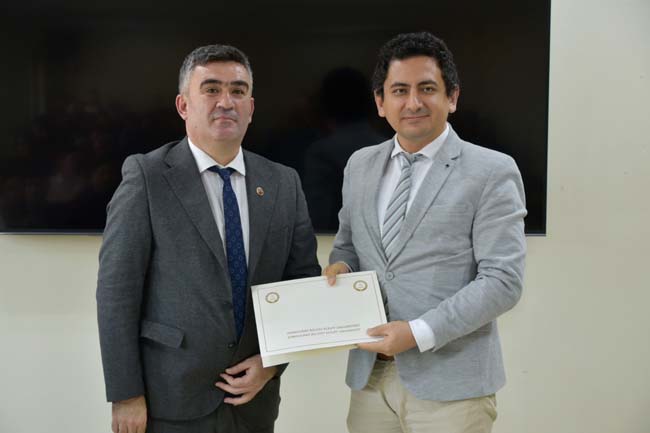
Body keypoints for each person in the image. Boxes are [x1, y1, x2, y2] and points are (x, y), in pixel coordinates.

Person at [96, 44, 320, 433]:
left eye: (238, 91)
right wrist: (125, 394)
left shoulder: (284, 182)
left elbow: (301, 283)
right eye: (211, 89)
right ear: (183, 105)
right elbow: (117, 292)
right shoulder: (147, 177)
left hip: (253, 402)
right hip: (167, 399)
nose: (226, 102)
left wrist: (272, 363)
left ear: (251, 107)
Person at [324, 32, 527, 433]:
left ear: (452, 97)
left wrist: (417, 333)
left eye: (427, 89)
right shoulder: (359, 165)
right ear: (380, 102)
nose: (413, 102)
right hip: (370, 381)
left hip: (452, 386)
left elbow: (503, 281)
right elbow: (348, 245)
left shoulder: (492, 170)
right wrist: (341, 267)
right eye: (399, 90)